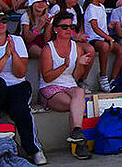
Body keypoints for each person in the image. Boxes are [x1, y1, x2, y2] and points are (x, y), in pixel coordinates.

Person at [0, 10, 46, 165]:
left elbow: (20, 73)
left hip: (16, 85)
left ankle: (34, 150)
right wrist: (6, 56)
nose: (1, 25)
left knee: (21, 109)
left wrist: (13, 53)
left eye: (4, 21)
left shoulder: (17, 41)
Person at [38, 11, 94, 160]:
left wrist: (80, 64)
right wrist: (65, 65)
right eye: (64, 27)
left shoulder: (77, 47)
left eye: (71, 27)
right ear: (55, 29)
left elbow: (76, 77)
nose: (69, 30)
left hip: (69, 85)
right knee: (76, 105)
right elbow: (47, 77)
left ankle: (76, 133)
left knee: (79, 93)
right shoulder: (48, 49)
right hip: (49, 87)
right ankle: (79, 144)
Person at [83, 0, 122, 92]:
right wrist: (109, 38)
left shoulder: (101, 6)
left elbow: (102, 26)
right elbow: (95, 28)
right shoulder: (91, 8)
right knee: (104, 47)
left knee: (121, 51)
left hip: (103, 37)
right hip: (92, 39)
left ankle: (113, 79)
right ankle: (103, 76)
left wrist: (110, 27)